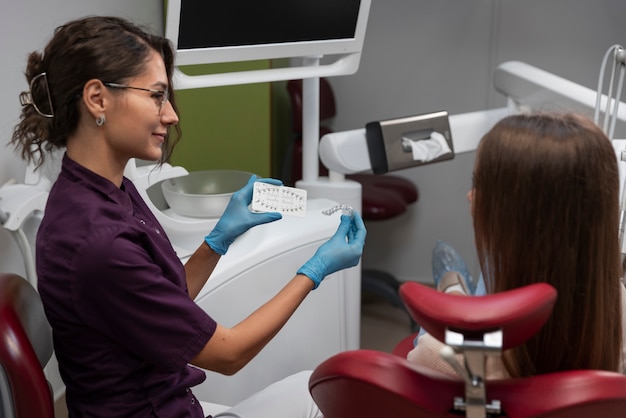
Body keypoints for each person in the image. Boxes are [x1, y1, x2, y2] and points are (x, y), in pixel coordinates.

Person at [10, 16, 366, 418]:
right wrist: (315, 270)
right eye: (157, 96)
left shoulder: (104, 189)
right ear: (97, 99)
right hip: (152, 411)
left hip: (167, 401)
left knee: (311, 388)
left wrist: (218, 240)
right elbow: (229, 354)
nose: (171, 115)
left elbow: (164, 295)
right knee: (322, 396)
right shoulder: (97, 240)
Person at [408, 112, 626, 379]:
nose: (469, 196)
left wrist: (451, 309)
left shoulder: (442, 354)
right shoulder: (618, 310)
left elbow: (420, 357)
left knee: (454, 276)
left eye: (478, 185)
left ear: (515, 220)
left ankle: (453, 287)